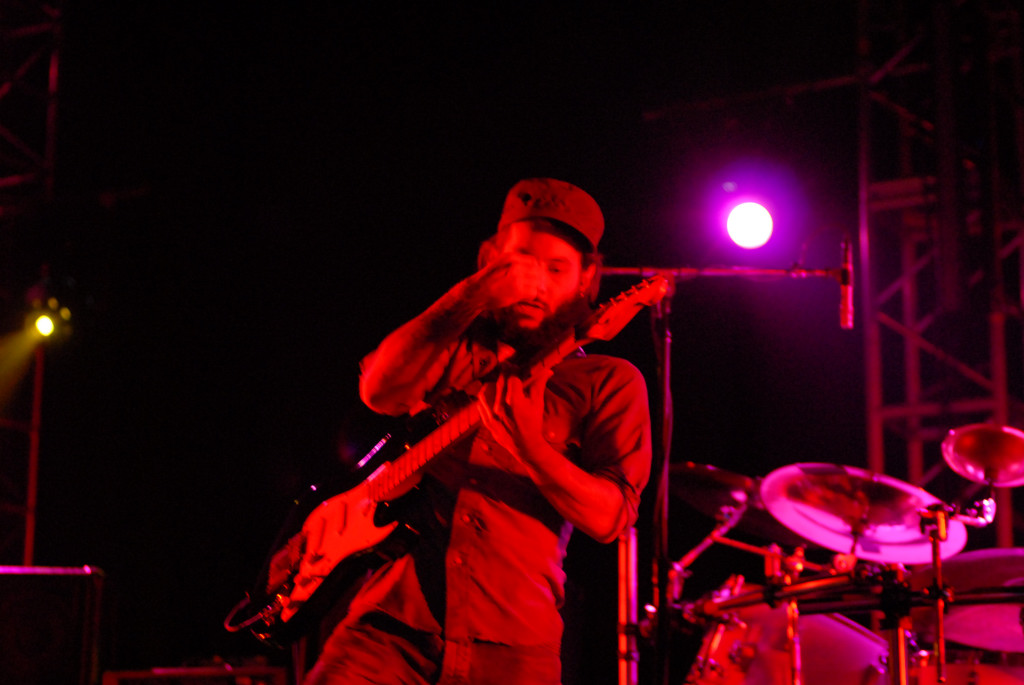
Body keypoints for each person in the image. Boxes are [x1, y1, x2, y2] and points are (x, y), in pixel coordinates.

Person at [304, 178, 653, 684]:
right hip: (388, 629)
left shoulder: (608, 381)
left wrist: (532, 447)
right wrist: (470, 294)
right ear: (490, 259)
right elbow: (378, 391)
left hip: (514, 648)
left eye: (556, 269)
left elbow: (610, 519)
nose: (536, 283)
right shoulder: (450, 342)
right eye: (521, 262)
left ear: (586, 279)